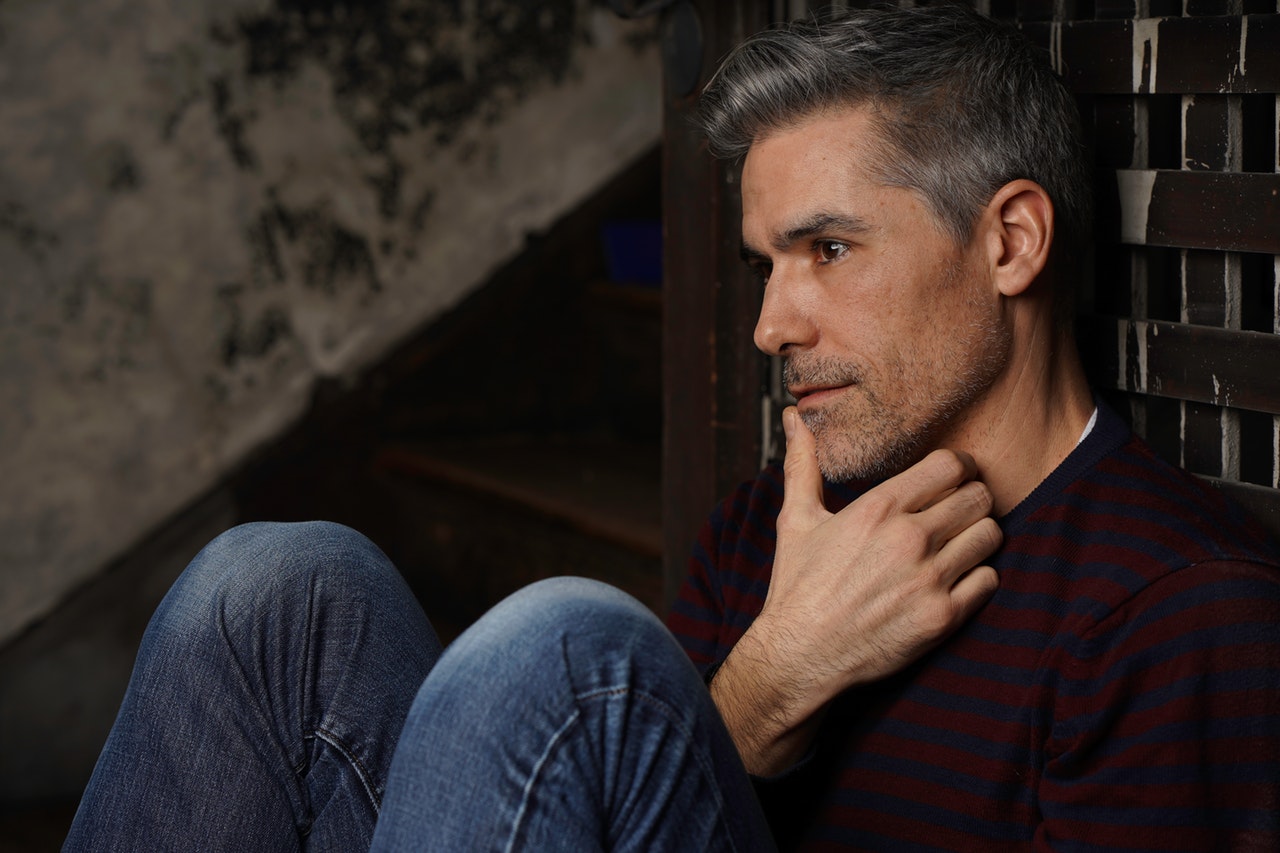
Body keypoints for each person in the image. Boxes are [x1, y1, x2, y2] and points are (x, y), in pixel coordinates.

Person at [65, 5, 1279, 851]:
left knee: (562, 651)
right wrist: (772, 681)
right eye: (764, 263)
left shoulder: (1176, 611)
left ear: (1008, 242)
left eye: (827, 249)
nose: (769, 323)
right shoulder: (778, 524)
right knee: (276, 591)